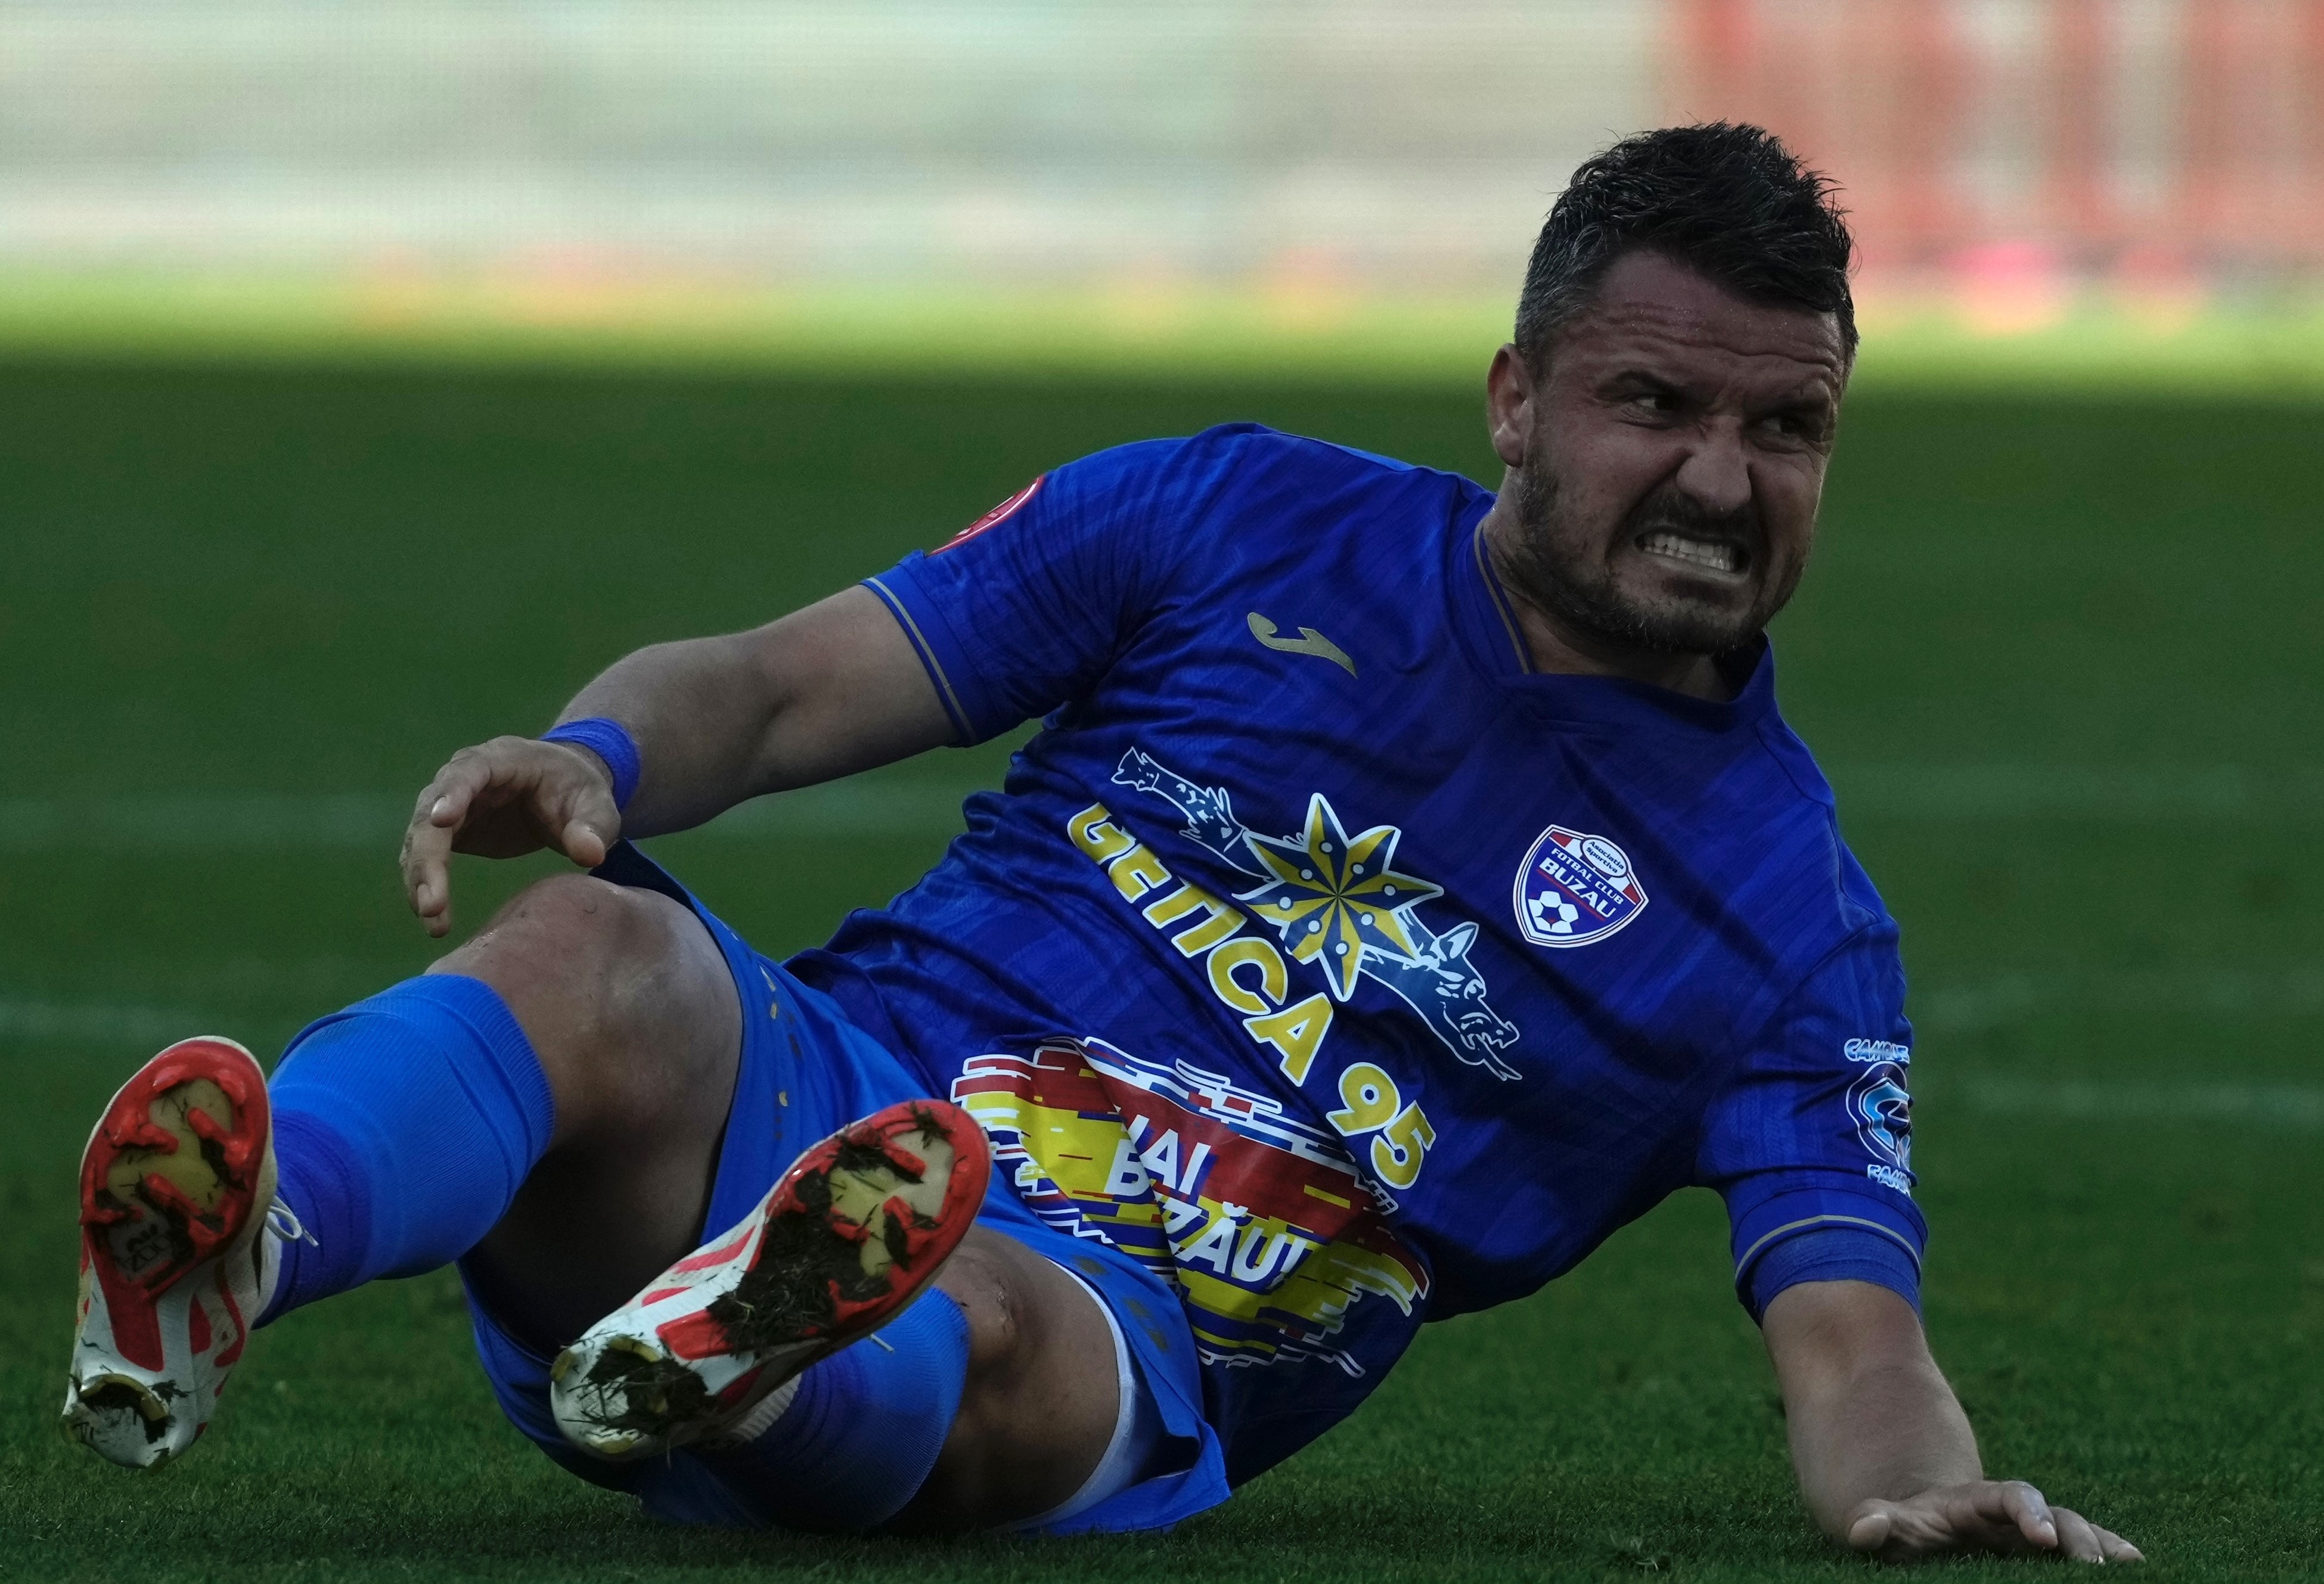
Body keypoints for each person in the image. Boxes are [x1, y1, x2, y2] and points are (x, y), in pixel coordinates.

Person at [62, 122, 2141, 1563]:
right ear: (1515, 397)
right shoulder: (1232, 518)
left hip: (1143, 1312)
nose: (1720, 479)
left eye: (1786, 429)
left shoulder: (1788, 928)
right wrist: (593, 751)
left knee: (989, 1311)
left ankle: (754, 1364)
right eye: (1655, 405)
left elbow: (1855, 1337)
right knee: (599, 947)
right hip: (840, 1106)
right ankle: (240, 1247)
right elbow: (779, 687)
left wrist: (1912, 1493)